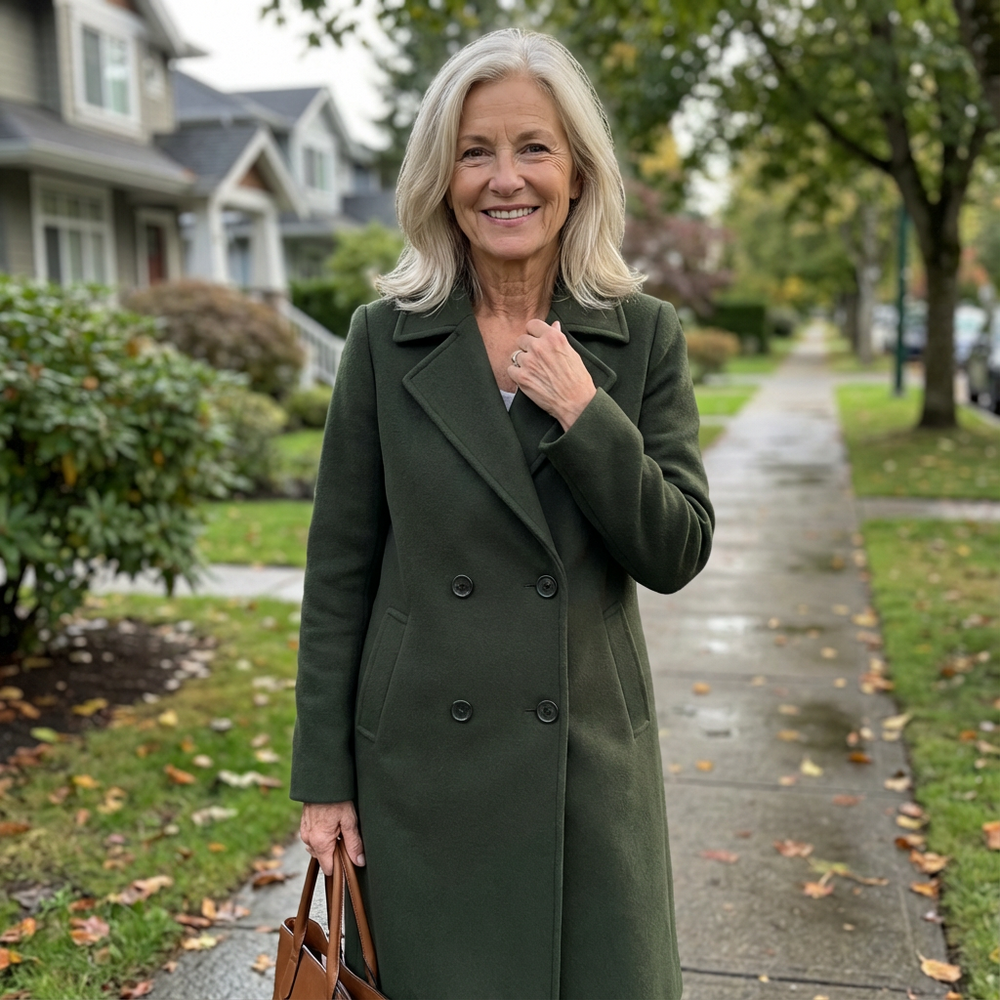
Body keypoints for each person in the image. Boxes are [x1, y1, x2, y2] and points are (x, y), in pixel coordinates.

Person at [291, 28, 713, 1000]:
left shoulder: (641, 334)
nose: (504, 178)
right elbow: (339, 571)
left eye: (533, 148)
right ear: (441, 179)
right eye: (474, 151)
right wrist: (323, 780)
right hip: (421, 768)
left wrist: (585, 414)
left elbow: (677, 548)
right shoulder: (384, 339)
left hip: (584, 764)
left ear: (578, 173)